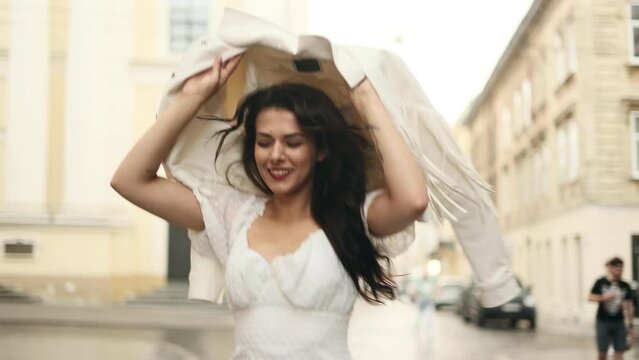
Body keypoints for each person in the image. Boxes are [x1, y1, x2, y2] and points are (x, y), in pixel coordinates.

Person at [111, 55, 428, 359]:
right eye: (264, 142)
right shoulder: (234, 215)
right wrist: (193, 98)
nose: (276, 155)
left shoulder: (350, 216)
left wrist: (366, 97)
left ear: (320, 150)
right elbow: (130, 181)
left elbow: (413, 200)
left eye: (293, 142)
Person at [589, 257, 635, 360]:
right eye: (617, 269)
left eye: (621, 269)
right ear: (610, 268)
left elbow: (629, 305)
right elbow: (590, 297)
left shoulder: (625, 285)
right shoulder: (601, 282)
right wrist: (604, 297)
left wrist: (630, 325)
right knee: (602, 353)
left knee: (619, 352)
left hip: (619, 322)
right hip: (603, 321)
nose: (619, 272)